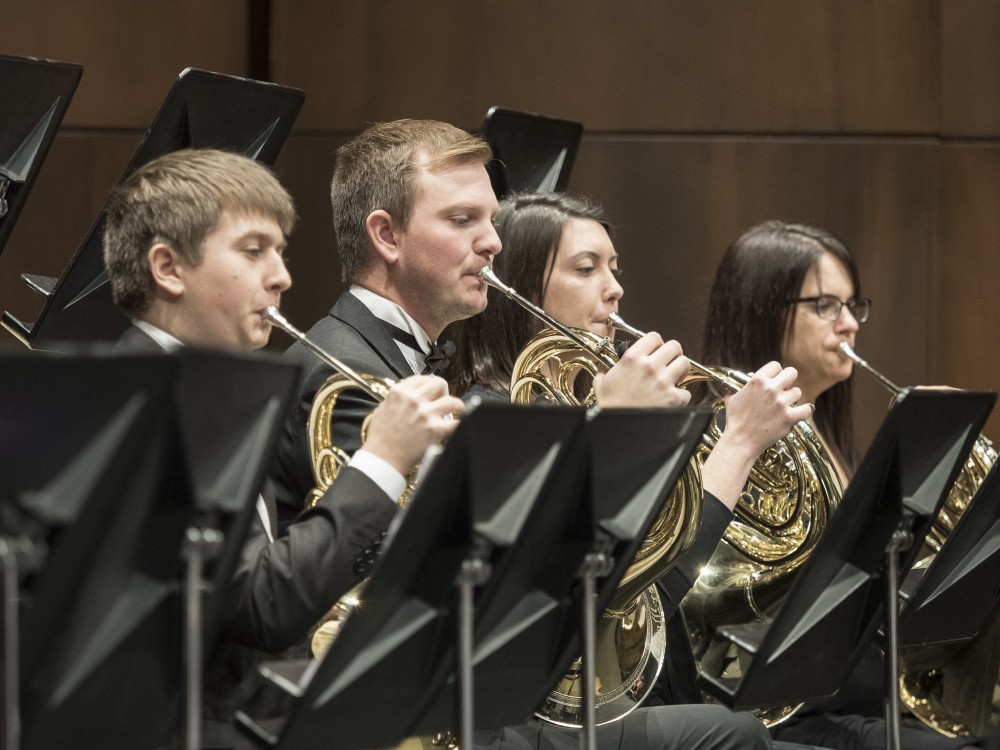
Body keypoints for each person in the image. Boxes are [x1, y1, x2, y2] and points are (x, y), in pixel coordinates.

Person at [270, 125, 782, 750]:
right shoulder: (343, 372)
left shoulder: (406, 357)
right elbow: (447, 579)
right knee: (731, 737)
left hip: (466, 706)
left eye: (490, 220)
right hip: (418, 721)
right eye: (462, 220)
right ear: (387, 236)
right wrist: (612, 430)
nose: (492, 242)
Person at [102, 147, 462, 748]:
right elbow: (262, 607)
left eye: (280, 252)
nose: (281, 277)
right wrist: (383, 460)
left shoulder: (203, 392)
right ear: (168, 268)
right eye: (252, 251)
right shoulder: (143, 408)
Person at [446, 192, 817, 750]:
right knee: (738, 734)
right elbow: (632, 596)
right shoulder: (493, 416)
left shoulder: (583, 401)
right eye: (585, 269)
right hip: (541, 716)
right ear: (521, 291)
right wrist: (736, 443)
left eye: (614, 268)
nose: (614, 288)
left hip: (641, 691)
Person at [700, 219, 980, 750]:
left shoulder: (831, 439)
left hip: (861, 693)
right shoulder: (726, 440)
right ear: (761, 310)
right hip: (787, 710)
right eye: (826, 306)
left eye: (853, 306)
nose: (849, 323)